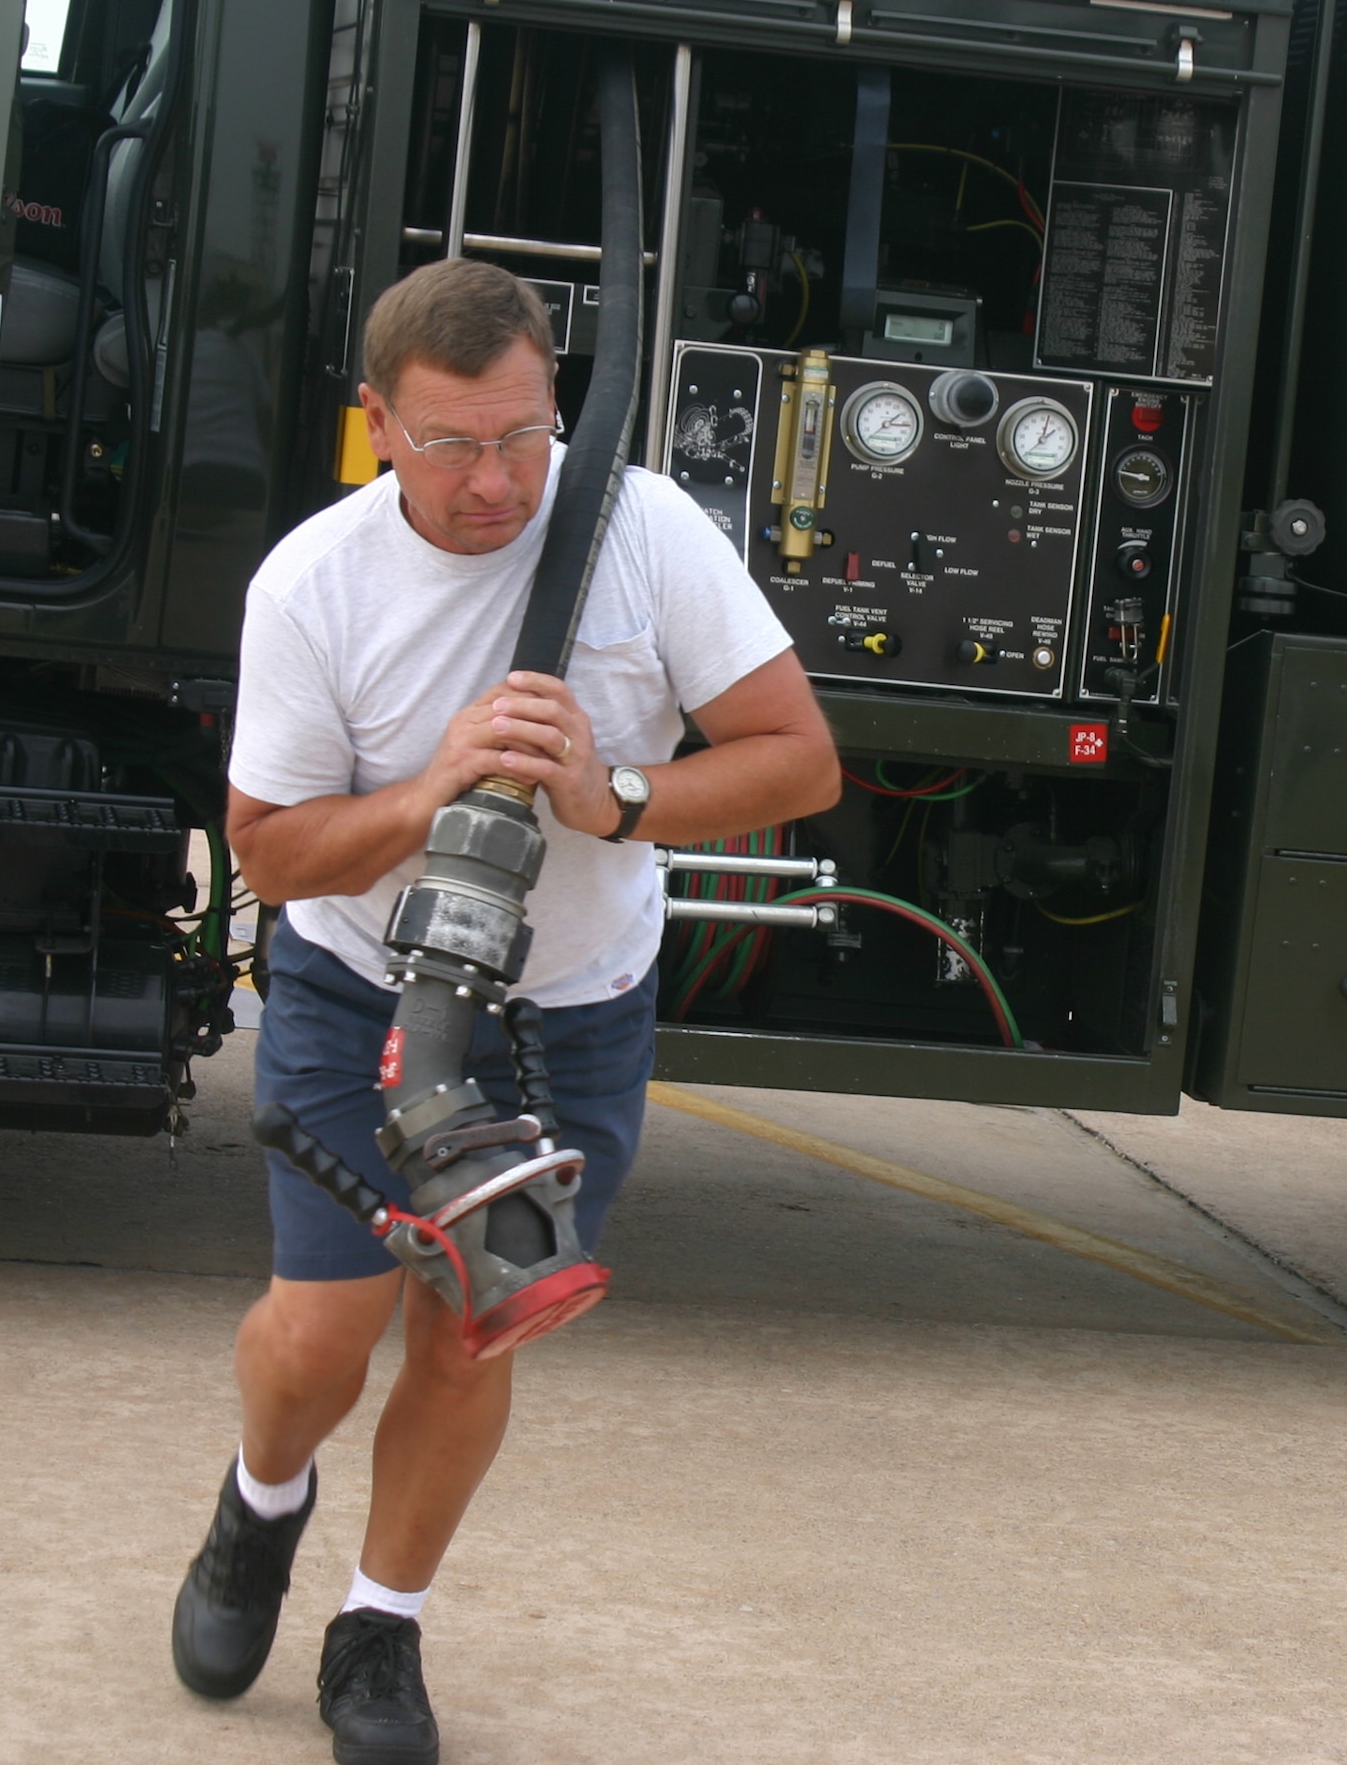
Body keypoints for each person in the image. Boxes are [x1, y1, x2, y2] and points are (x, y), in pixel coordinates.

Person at [171, 259, 840, 1764]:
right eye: (452, 444)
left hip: (567, 1013)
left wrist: (619, 796)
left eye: (525, 436)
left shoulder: (645, 530)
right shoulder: (315, 583)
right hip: (360, 991)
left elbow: (799, 759)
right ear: (375, 427)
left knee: (472, 1333)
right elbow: (269, 848)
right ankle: (259, 1506)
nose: (496, 481)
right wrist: (430, 789)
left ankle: (378, 1628)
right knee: (319, 1341)